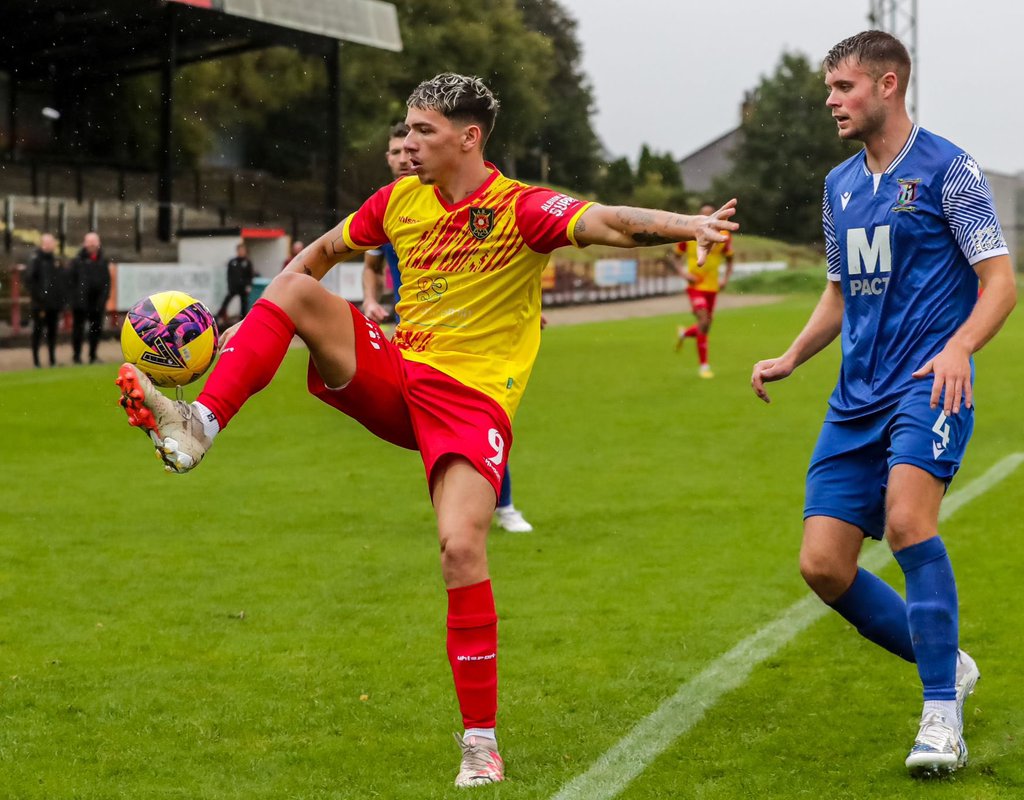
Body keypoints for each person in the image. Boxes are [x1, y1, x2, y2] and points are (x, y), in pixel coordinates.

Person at [115, 73, 736, 788]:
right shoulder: (398, 201)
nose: (406, 143)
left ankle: (480, 743)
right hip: (401, 374)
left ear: (469, 138)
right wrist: (249, 330)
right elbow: (315, 257)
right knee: (292, 288)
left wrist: (687, 225)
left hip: (472, 402)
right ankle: (198, 423)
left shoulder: (521, 208)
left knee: (460, 546)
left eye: (422, 131)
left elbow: (605, 223)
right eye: (405, 129)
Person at [750, 31, 1016, 776]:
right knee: (823, 567)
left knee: (906, 521)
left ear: (888, 84)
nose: (831, 101)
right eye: (831, 89)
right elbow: (839, 291)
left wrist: (960, 346)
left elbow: (1001, 282)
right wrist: (793, 355)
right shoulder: (839, 187)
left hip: (928, 385)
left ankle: (940, 717)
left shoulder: (949, 171)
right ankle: (949, 662)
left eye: (844, 87)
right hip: (853, 399)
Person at [361, 121, 536, 535]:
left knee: (476, 416)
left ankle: (502, 505)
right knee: (438, 425)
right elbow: (368, 267)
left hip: (463, 329)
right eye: (394, 152)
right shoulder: (388, 206)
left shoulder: (455, 197)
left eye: (408, 149)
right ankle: (460, 513)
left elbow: (501, 262)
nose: (403, 156)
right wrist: (369, 300)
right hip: (414, 328)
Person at [673, 203, 735, 378]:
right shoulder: (690, 234)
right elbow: (676, 258)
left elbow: (730, 260)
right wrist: (684, 274)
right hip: (696, 285)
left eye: (712, 215)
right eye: (705, 215)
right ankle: (704, 366)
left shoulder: (724, 236)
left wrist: (725, 279)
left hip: (712, 286)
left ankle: (684, 333)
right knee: (703, 319)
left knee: (705, 325)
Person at [24, 232, 70, 368]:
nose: (52, 245)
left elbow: (60, 282)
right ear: (43, 244)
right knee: (37, 332)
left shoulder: (55, 261)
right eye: (49, 243)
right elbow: (29, 281)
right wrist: (39, 298)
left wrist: (61, 300)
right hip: (39, 305)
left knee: (52, 333)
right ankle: (36, 361)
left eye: (52, 243)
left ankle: (52, 360)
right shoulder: (36, 260)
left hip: (53, 305)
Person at [70, 231, 114, 364]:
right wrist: (76, 299)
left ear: (98, 244)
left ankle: (93, 356)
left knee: (95, 330)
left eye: (94, 242)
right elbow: (71, 281)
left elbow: (107, 282)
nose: (92, 245)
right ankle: (76, 356)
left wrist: (103, 298)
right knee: (78, 329)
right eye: (89, 242)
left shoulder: (103, 261)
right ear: (84, 244)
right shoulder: (77, 261)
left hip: (97, 303)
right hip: (80, 303)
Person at [217, 242, 256, 324]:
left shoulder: (247, 262)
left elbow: (250, 275)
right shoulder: (232, 261)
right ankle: (219, 317)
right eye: (239, 250)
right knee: (226, 302)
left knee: (244, 305)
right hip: (233, 287)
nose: (241, 252)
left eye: (243, 250)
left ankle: (243, 321)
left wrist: (248, 285)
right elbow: (229, 275)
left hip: (243, 287)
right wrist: (230, 285)